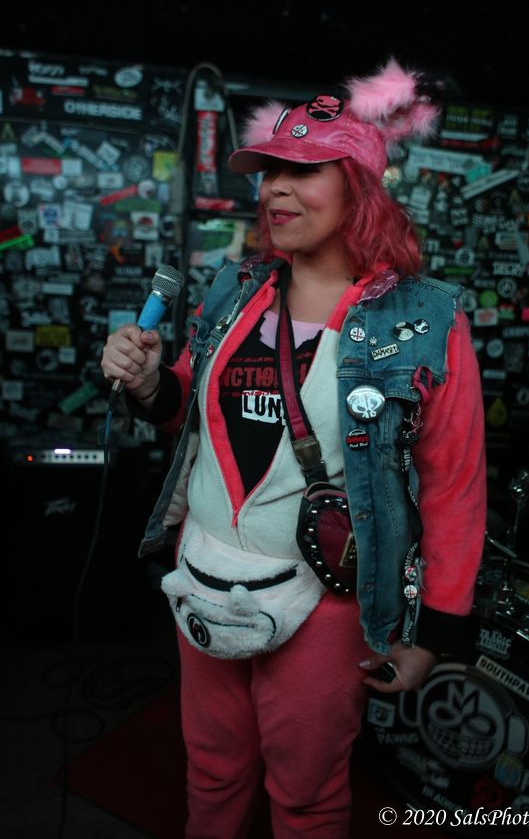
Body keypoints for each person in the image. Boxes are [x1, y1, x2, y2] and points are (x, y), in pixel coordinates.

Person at [101, 58, 487, 839]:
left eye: (303, 171)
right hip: (204, 574)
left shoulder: (425, 321)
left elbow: (454, 485)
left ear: (359, 186)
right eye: (269, 171)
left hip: (323, 605)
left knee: (306, 796)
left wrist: (436, 636)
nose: (276, 188)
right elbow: (191, 415)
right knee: (211, 774)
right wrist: (147, 384)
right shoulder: (235, 288)